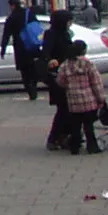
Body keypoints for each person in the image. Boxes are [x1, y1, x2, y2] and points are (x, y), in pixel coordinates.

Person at [55, 39, 105, 154]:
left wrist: (69, 86)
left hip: (73, 102)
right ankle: (92, 147)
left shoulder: (65, 65)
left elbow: (60, 81)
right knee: (89, 126)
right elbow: (96, 83)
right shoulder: (88, 63)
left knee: (75, 127)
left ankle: (75, 147)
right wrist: (100, 99)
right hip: (89, 101)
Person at [41, 8, 75, 151]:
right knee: (63, 109)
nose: (70, 24)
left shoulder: (65, 34)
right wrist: (51, 61)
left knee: (67, 108)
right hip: (57, 76)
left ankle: (63, 137)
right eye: (68, 21)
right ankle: (54, 138)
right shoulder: (51, 34)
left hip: (68, 74)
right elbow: (46, 53)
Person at [0, 0, 40, 100]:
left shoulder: (11, 17)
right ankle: (34, 86)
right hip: (32, 45)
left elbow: (6, 35)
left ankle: (30, 90)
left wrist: (3, 49)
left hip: (20, 47)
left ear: (12, 6)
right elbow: (37, 27)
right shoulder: (29, 13)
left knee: (24, 70)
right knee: (33, 68)